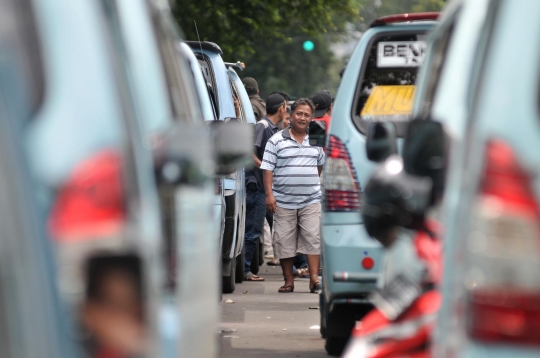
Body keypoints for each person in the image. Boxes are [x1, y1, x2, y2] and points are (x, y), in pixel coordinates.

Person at [261, 98, 325, 293]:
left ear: (311, 118)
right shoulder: (276, 140)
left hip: (310, 200)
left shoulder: (316, 139)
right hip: (283, 201)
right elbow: (267, 169)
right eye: (299, 113)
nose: (302, 118)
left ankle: (314, 278)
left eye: (307, 115)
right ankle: (289, 281)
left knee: (312, 238)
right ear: (290, 115)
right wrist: (269, 195)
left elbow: (320, 164)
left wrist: (309, 183)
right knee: (283, 240)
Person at [243, 93, 288, 281]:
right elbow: (249, 152)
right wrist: (266, 167)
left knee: (281, 224)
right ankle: (245, 269)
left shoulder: (273, 129)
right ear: (281, 108)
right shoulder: (262, 126)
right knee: (253, 230)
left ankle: (295, 266)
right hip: (258, 188)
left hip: (267, 188)